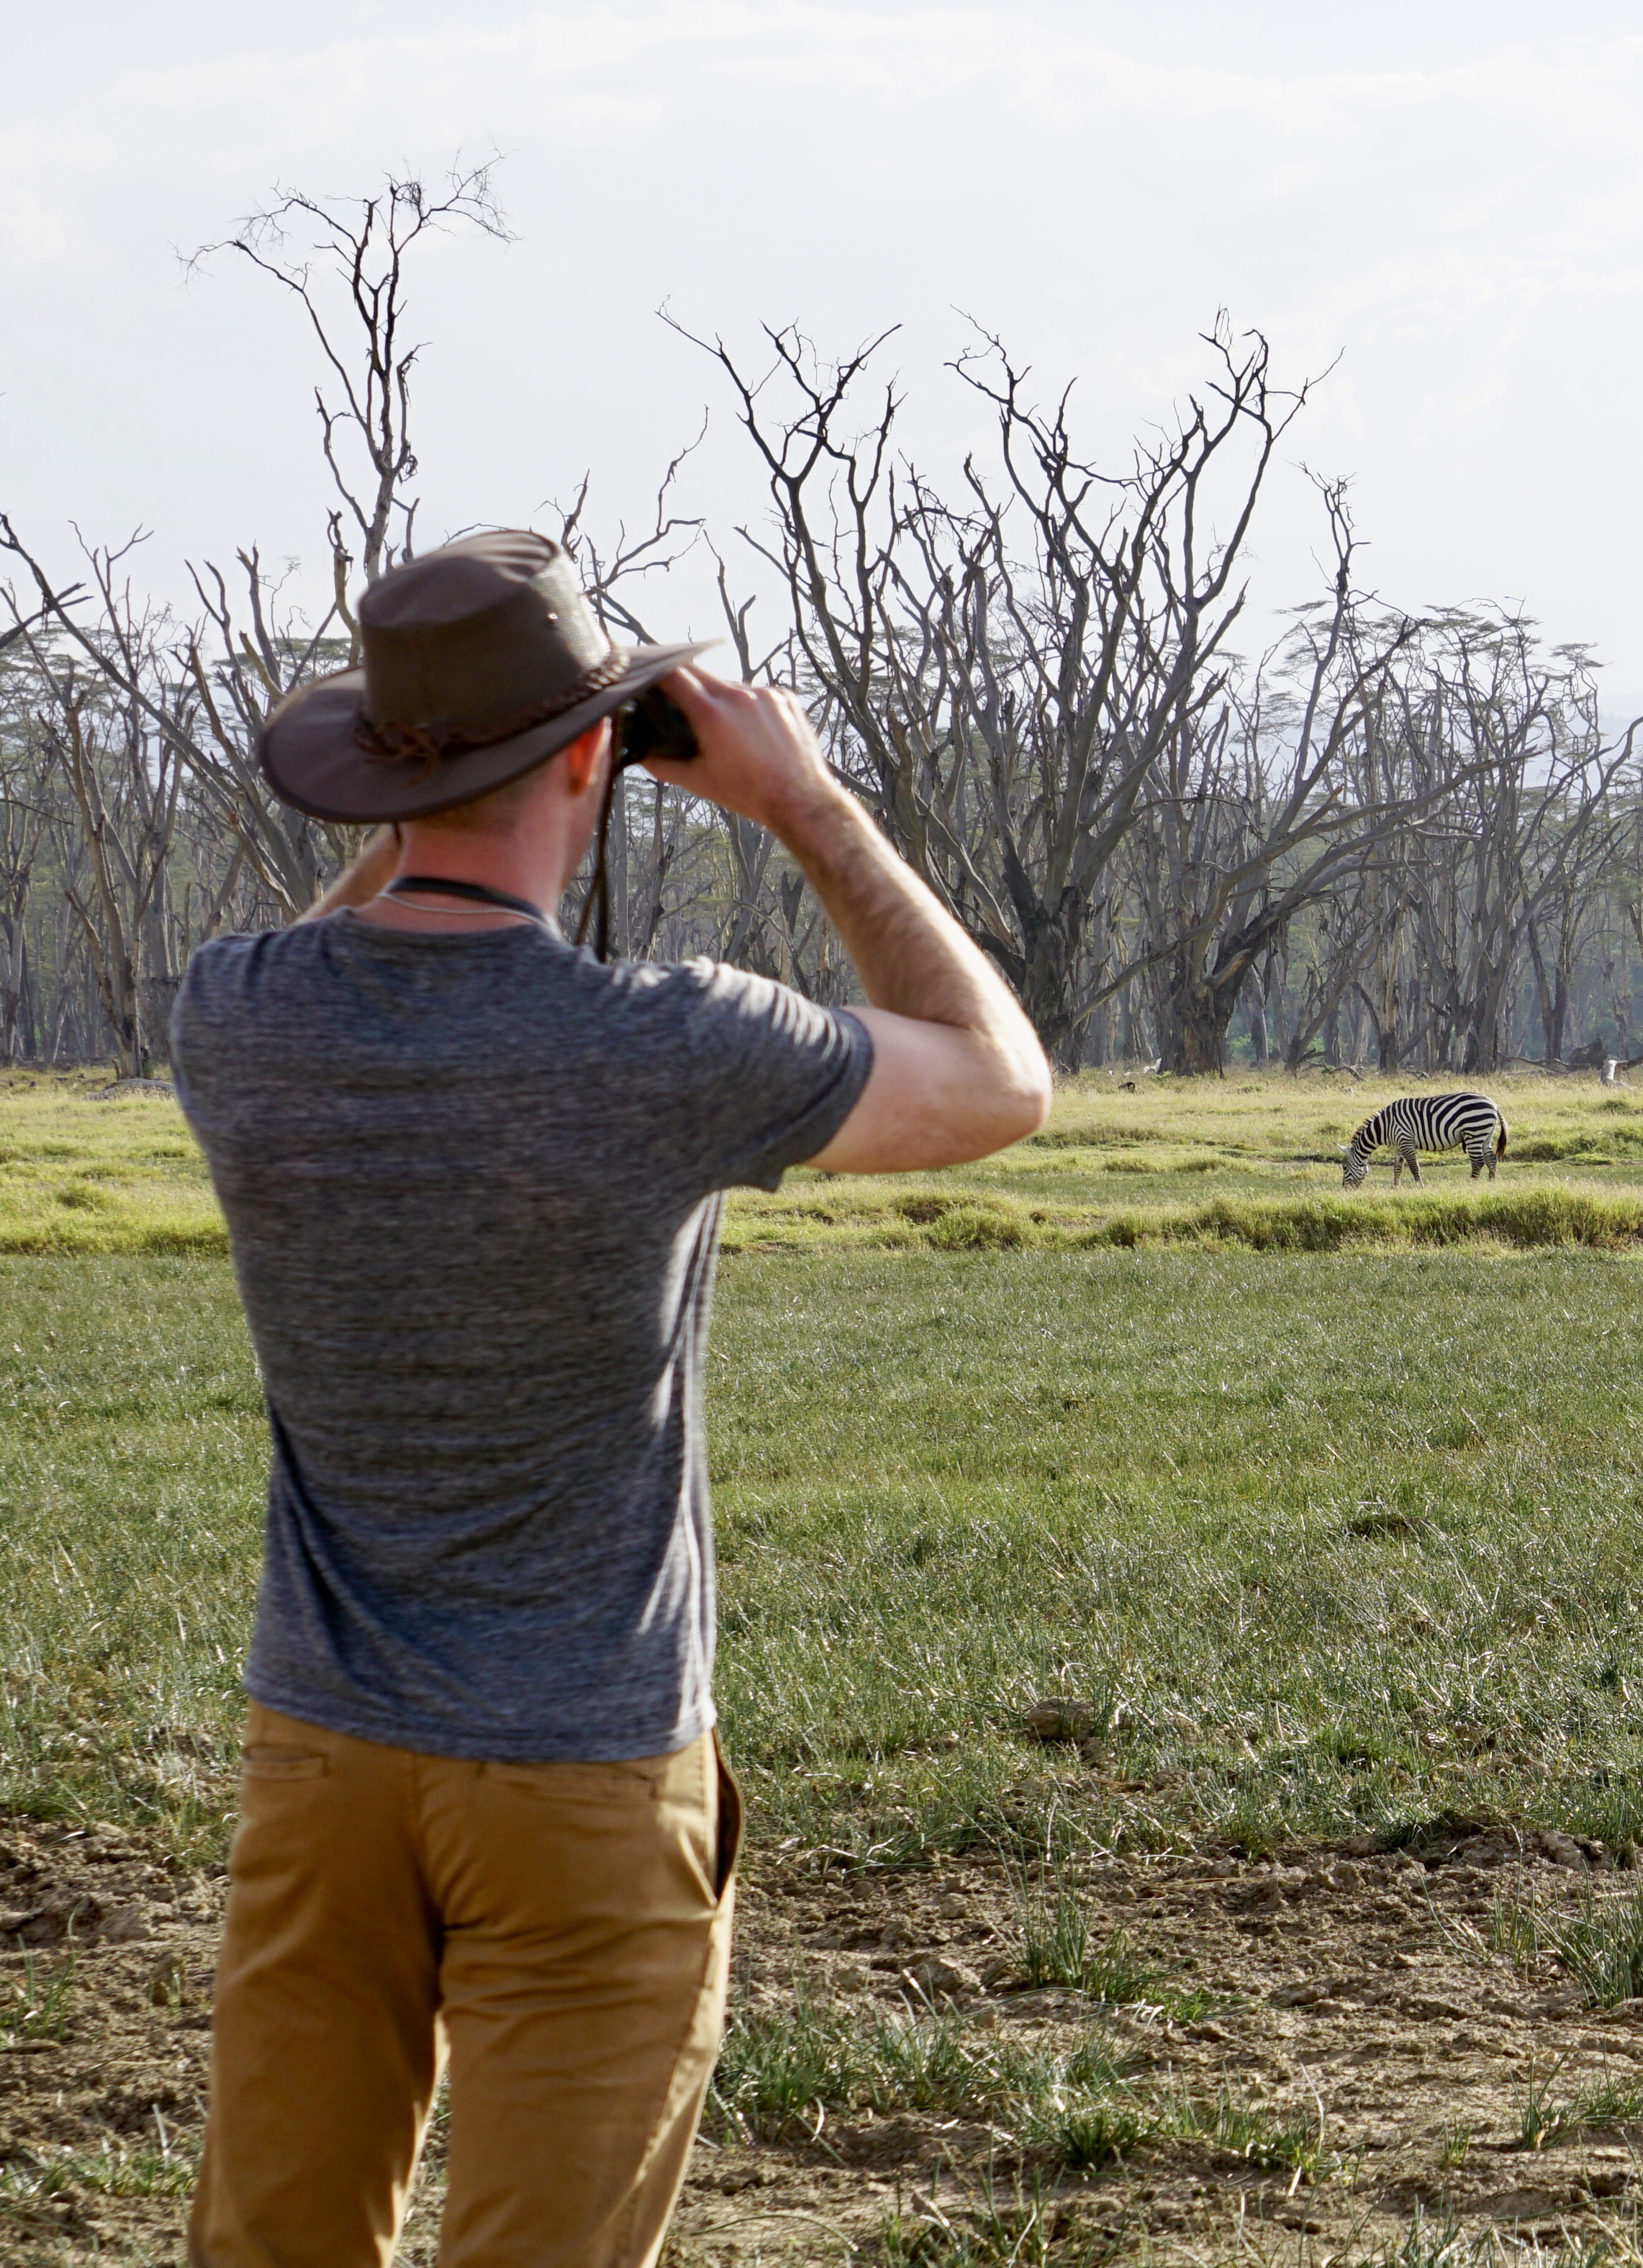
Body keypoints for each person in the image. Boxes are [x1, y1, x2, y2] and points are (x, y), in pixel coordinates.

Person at [171, 529, 1051, 2267]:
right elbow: (1000, 1082)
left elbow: (375, 934)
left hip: (321, 1755)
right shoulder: (668, 1042)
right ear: (595, 755)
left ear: (376, 771)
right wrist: (805, 805)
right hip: (582, 1767)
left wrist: (445, 781)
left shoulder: (236, 1016)